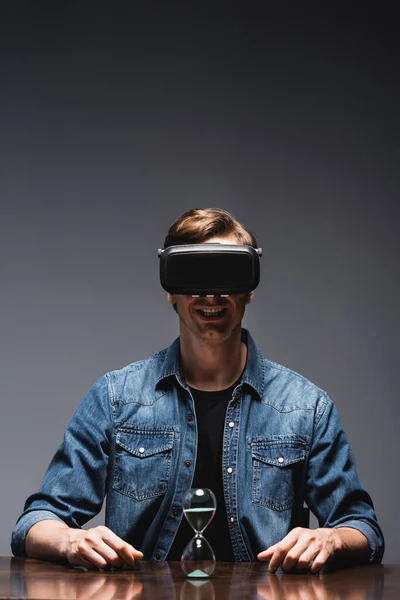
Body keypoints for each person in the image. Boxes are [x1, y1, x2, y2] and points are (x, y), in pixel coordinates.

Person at [11, 208, 384, 572]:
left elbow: (363, 529)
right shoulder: (114, 398)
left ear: (250, 289)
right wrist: (69, 539)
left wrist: (331, 539)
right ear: (171, 289)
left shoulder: (307, 407)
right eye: (194, 275)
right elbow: (37, 521)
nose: (211, 294)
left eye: (228, 274)